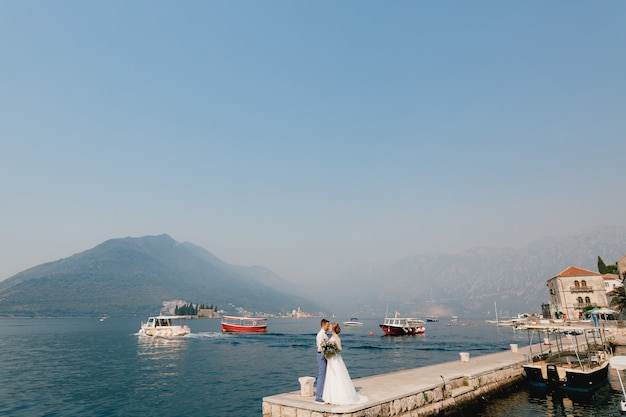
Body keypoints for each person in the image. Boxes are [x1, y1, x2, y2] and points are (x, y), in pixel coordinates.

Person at [322, 322, 368, 405]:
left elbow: (340, 349)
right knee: (331, 376)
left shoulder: (336, 337)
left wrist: (332, 350)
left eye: (330, 327)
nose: (329, 328)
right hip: (331, 359)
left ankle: (339, 396)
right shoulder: (331, 337)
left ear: (333, 329)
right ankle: (331, 397)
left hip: (335, 359)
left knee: (336, 375)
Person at [315, 319, 330, 403]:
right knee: (322, 375)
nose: (328, 327)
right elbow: (321, 348)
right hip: (321, 355)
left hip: (323, 355)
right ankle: (318, 396)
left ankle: (323, 393)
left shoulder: (324, 334)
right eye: (327, 325)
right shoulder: (320, 335)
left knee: (324, 374)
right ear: (323, 325)